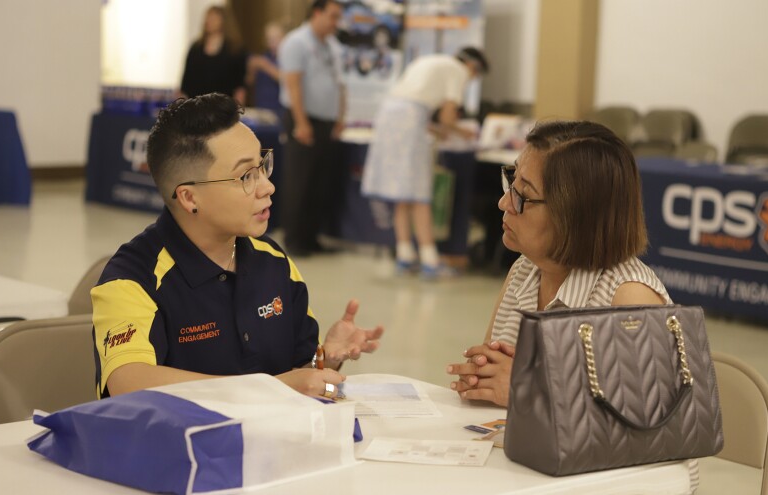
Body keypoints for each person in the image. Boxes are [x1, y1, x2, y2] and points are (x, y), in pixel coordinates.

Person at [92, 93, 384, 400]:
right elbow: (130, 383)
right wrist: (274, 388)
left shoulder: (273, 262)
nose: (267, 187)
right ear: (190, 198)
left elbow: (299, 372)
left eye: (262, 166)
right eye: (246, 175)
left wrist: (325, 359)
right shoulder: (132, 279)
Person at [446, 120, 672, 406]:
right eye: (511, 181)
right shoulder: (525, 270)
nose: (504, 203)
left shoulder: (630, 297)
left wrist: (529, 390)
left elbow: (646, 422)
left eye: (522, 195)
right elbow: (498, 383)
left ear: (575, 215)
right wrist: (482, 380)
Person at [360, 47, 489, 279]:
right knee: (419, 192)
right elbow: (447, 117)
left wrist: (439, 130)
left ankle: (405, 255)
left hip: (390, 115)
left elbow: (416, 107)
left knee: (403, 192)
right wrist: (466, 134)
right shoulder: (458, 70)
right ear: (472, 66)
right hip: (410, 119)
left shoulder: (431, 61)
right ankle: (430, 260)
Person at [278, 0, 346, 257]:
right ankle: (294, 239)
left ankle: (311, 237)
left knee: (320, 183)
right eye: (333, 17)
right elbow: (293, 83)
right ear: (317, 13)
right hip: (304, 119)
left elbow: (340, 84)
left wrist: (341, 116)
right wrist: (301, 122)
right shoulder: (297, 42)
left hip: (327, 122)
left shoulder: (332, 46)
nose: (336, 23)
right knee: (300, 181)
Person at [180, 5, 248, 104]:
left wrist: (237, 111)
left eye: (214, 18)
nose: (209, 21)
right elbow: (185, 84)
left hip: (223, 108)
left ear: (223, 21)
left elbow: (240, 87)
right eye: (208, 18)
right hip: (196, 107)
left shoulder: (235, 50)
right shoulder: (196, 48)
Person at [247, 21, 285, 113]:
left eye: (276, 38)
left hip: (279, 109)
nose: (272, 42)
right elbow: (249, 81)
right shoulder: (263, 57)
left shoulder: (287, 58)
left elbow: (285, 79)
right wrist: (251, 69)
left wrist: (266, 66)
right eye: (269, 38)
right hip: (261, 107)